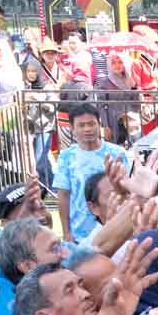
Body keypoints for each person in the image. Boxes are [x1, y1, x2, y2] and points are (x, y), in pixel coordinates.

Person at [56, 104, 130, 244]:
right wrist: (66, 232)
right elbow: (63, 195)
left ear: (99, 124)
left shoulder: (117, 153)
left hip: (115, 228)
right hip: (79, 233)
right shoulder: (66, 157)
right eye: (81, 125)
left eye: (91, 124)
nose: (87, 129)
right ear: (72, 128)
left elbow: (127, 189)